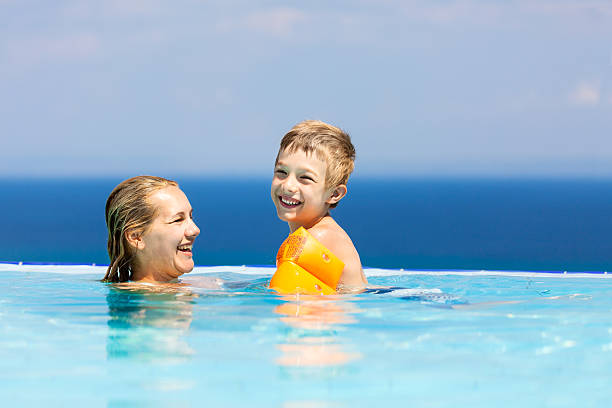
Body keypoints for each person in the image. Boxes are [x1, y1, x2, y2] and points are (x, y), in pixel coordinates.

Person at [271, 120, 368, 291]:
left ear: (334, 194)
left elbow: (287, 302)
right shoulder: (320, 233)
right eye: (282, 172)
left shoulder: (319, 238)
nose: (288, 185)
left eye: (305, 178)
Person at [103, 175, 201, 283]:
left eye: (190, 216)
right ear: (136, 237)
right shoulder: (142, 298)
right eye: (178, 220)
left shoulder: (202, 284)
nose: (195, 230)